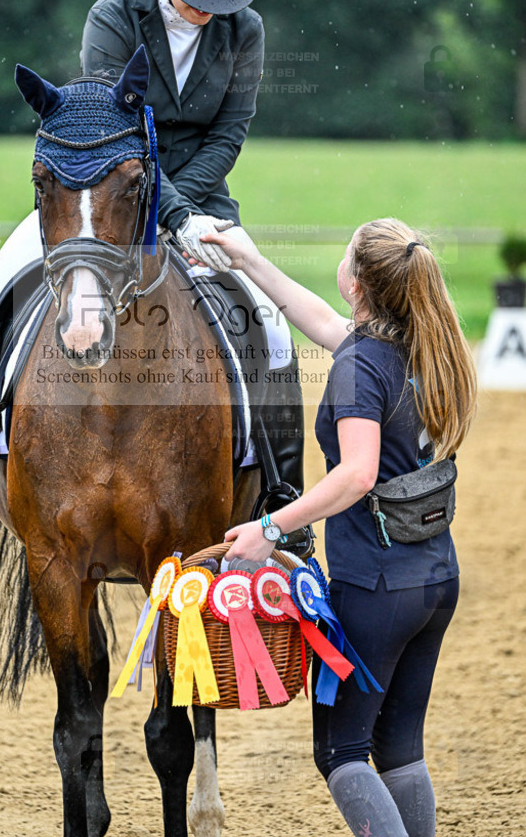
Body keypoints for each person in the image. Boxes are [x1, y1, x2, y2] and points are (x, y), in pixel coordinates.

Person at [0, 0, 304, 570]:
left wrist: (184, 207)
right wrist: (155, 202)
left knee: (267, 322)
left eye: (220, 0)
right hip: (100, 191)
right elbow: (105, 126)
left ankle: (281, 492)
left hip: (200, 194)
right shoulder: (115, 14)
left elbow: (229, 132)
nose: (207, 12)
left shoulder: (243, 29)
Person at [203, 217, 477, 837]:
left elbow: (356, 475)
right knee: (400, 748)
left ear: (357, 284)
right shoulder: (424, 342)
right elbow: (326, 324)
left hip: (377, 587)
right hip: (434, 579)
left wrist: (269, 528)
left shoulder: (361, 363)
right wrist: (249, 261)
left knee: (342, 754)